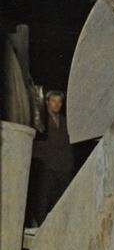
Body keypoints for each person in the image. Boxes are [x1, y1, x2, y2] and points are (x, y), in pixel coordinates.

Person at [31, 90, 75, 222]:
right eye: (53, 101)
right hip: (47, 169)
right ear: (47, 102)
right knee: (42, 203)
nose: (56, 104)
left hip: (64, 170)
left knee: (61, 204)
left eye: (59, 101)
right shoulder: (40, 120)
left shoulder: (66, 122)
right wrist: (42, 162)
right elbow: (36, 145)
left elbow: (69, 145)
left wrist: (70, 165)